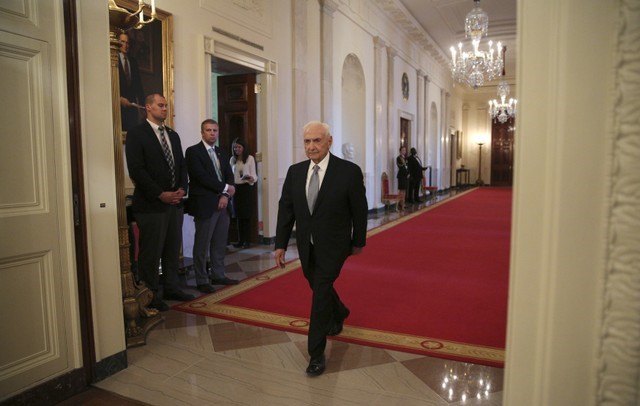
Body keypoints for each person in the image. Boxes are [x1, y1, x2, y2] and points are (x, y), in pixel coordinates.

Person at [274, 121, 368, 376]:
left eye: (317, 140)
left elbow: (359, 210)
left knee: (320, 293)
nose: (312, 146)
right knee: (316, 284)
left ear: (329, 141)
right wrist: (280, 244)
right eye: (307, 141)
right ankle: (340, 311)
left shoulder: (348, 171)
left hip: (335, 245)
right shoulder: (295, 172)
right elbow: (287, 210)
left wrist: (358, 241)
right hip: (306, 245)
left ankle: (316, 354)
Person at [125, 93, 194, 311]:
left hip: (174, 203)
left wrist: (182, 189)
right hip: (151, 205)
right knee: (151, 254)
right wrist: (160, 194)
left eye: (166, 105)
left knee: (172, 250)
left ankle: (172, 287)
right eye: (161, 105)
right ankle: (150, 294)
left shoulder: (172, 135)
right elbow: (137, 170)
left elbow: (181, 165)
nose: (165, 109)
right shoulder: (137, 134)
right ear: (148, 107)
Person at [185, 119, 239, 293]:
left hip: (223, 204)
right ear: (202, 133)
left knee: (219, 242)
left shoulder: (222, 152)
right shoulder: (193, 152)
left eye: (215, 130)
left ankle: (218, 274)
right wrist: (224, 188)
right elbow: (200, 177)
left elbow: (229, 176)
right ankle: (201, 279)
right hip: (204, 205)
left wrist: (224, 195)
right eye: (208, 130)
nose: (212, 133)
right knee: (202, 243)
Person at [230, 138, 257, 249]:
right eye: (235, 147)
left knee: (246, 216)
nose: (237, 149)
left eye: (239, 147)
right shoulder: (232, 159)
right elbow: (230, 175)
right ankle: (240, 240)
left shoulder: (250, 158)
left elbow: (255, 175)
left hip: (246, 188)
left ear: (243, 148)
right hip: (236, 189)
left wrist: (251, 178)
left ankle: (247, 241)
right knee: (238, 216)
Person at [118, 32, 145, 132]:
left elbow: (139, 86)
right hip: (118, 107)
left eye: (127, 43)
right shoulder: (112, 60)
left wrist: (142, 106)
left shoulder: (133, 61)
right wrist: (119, 98)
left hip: (132, 107)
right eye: (123, 42)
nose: (125, 45)